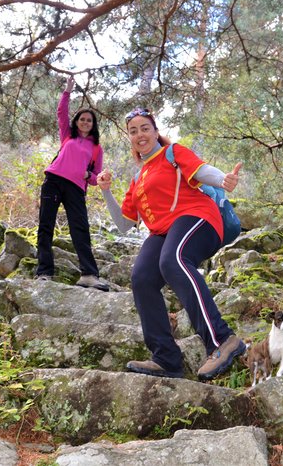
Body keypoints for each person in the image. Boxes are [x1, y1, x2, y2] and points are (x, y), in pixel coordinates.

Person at [96, 107, 245, 380]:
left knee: (172, 260)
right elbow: (124, 224)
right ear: (129, 138)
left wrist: (223, 179)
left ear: (155, 132)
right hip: (162, 233)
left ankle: (222, 340)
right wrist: (106, 191)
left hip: (197, 218)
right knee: (141, 278)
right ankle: (166, 358)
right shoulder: (137, 178)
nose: (140, 134)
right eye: (133, 131)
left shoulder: (172, 153)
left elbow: (201, 171)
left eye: (145, 128)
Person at [35, 75, 108, 291]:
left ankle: (88, 275)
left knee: (80, 229)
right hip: (53, 182)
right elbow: (61, 113)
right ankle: (44, 273)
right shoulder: (67, 136)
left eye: (89, 120)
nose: (85, 122)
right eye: (82, 119)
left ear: (93, 125)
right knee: (45, 226)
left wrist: (89, 177)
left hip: (76, 189)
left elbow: (96, 179)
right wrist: (67, 91)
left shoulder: (96, 148)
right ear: (76, 122)